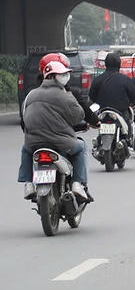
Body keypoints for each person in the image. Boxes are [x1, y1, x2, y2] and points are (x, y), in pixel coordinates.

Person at [18, 54, 93, 201]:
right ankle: (78, 183)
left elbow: (24, 121)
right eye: (62, 74)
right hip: (61, 143)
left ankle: (28, 183)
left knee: (25, 148)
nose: (65, 77)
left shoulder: (30, 95)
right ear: (53, 77)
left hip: (34, 144)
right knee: (82, 147)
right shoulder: (65, 96)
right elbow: (78, 116)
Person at [89, 52, 135, 131]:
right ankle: (127, 139)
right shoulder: (125, 79)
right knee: (129, 123)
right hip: (121, 112)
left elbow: (92, 95)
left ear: (106, 64)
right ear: (119, 64)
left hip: (102, 112)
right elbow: (133, 95)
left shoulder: (97, 79)